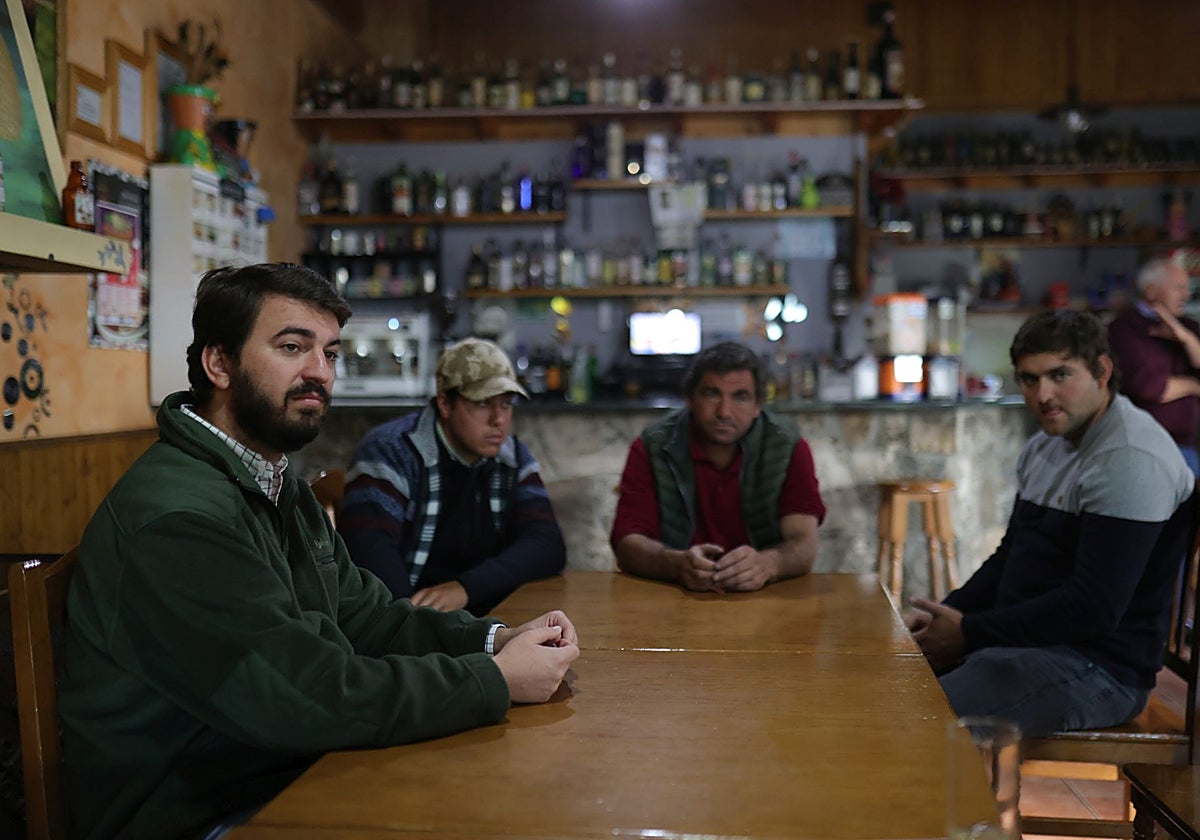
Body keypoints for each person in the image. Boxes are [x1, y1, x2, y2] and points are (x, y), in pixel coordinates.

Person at [58, 264, 579, 840]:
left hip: (274, 769)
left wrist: (493, 640)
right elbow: (305, 697)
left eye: (329, 353)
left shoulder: (274, 482)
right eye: (292, 347)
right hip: (187, 813)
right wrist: (495, 680)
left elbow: (368, 618)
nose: (320, 373)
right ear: (219, 363)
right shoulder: (178, 520)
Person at [907, 310, 1194, 738]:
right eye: (1029, 379)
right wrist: (948, 618)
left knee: (915, 719)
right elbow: (1008, 559)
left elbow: (1093, 608)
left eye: (1060, 375)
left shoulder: (1130, 457)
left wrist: (969, 633)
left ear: (1102, 371)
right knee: (889, 684)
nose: (1043, 395)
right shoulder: (1046, 445)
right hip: (1030, 647)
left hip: (1101, 669)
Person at [340, 337, 566, 615]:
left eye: (506, 404)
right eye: (483, 403)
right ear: (445, 404)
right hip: (407, 619)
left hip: (487, 616)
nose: (498, 419)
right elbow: (371, 553)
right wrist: (416, 624)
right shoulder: (390, 450)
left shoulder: (511, 456)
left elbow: (547, 544)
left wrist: (466, 588)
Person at [610, 340, 825, 592]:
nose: (724, 412)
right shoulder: (652, 446)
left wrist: (768, 564)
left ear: (758, 405)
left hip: (766, 598)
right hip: (673, 596)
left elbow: (804, 543)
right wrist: (677, 564)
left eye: (740, 397)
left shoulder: (787, 446)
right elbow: (627, 542)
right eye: (712, 394)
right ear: (690, 398)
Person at [1108, 256, 1200, 476]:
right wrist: (1193, 385)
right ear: (1150, 291)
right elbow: (1150, 387)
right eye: (1178, 288)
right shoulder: (1124, 329)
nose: (1187, 295)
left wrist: (1187, 340)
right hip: (1142, 447)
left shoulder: (1188, 326)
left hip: (1186, 446)